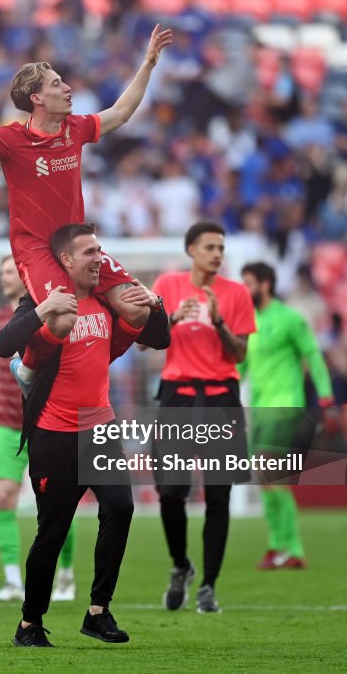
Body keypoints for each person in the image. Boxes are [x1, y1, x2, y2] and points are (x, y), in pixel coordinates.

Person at [0, 25, 172, 379]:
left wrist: (148, 63)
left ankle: (93, 363)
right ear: (36, 98)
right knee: (64, 318)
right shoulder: (11, 140)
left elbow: (121, 113)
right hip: (36, 249)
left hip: (76, 244)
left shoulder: (76, 128)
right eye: (56, 84)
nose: (67, 88)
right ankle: (29, 371)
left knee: (138, 310)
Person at [0, 223, 151, 647]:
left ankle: (98, 611)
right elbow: (4, 343)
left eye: (101, 250)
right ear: (65, 260)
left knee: (120, 508)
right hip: (54, 436)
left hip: (100, 431)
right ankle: (29, 623)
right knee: (53, 531)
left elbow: (153, 334)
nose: (99, 258)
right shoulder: (45, 303)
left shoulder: (107, 305)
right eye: (89, 252)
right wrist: (43, 311)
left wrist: (152, 305)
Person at [150, 221, 256, 614]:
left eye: (221, 247)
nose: (217, 253)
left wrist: (219, 322)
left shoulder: (236, 294)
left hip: (220, 398)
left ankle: (209, 584)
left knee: (218, 494)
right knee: (171, 492)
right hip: (177, 396)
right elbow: (147, 341)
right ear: (191, 249)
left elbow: (239, 354)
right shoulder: (167, 284)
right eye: (210, 246)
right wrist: (172, 319)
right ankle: (181, 565)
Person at [0, 257, 78, 602]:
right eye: (1, 271)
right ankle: (12, 580)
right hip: (5, 423)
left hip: (49, 419)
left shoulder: (56, 313)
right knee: (4, 496)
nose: (3, 277)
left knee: (56, 501)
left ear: (25, 276)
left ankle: (65, 574)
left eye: (9, 272)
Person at [239, 262, 335, 570]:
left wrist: (325, 396)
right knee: (265, 478)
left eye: (249, 283)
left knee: (270, 474)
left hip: (285, 405)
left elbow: (313, 354)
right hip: (260, 407)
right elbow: (242, 367)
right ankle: (278, 546)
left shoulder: (290, 318)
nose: (244, 289)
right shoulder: (249, 321)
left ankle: (291, 546)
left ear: (265, 285)